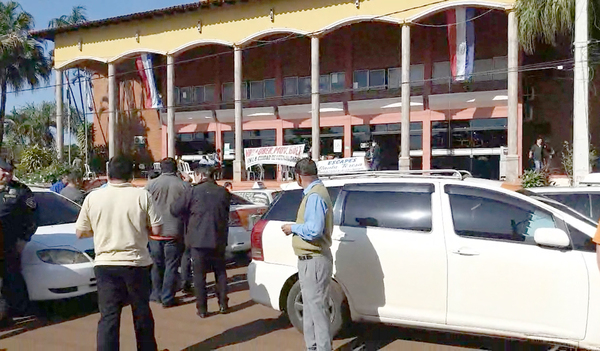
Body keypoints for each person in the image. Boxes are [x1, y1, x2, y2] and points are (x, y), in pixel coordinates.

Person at [75, 156, 162, 351]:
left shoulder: (93, 197)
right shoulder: (142, 196)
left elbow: (80, 232)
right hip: (136, 263)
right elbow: (157, 230)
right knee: (141, 312)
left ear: (108, 174)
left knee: (109, 316)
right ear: (131, 175)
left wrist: (99, 229)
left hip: (105, 264)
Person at [281, 158, 333, 351]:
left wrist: (292, 228)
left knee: (317, 311)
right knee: (311, 309)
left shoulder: (315, 196)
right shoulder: (315, 193)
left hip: (314, 259)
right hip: (310, 259)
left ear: (299, 176)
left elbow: (314, 230)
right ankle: (313, 347)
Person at [171, 165, 231, 318]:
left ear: (199, 176)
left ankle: (202, 309)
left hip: (198, 240)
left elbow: (175, 209)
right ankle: (223, 304)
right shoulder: (223, 192)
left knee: (199, 276)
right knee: (220, 272)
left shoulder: (193, 191)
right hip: (218, 238)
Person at [145, 158, 190, 308]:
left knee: (156, 265)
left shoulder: (151, 184)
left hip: (154, 231)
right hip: (174, 231)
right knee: (171, 265)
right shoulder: (184, 185)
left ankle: (155, 294)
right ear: (175, 168)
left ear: (161, 168)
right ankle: (167, 297)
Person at [0, 158, 37, 321]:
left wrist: (23, 239)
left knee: (11, 277)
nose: (6, 174)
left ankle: (13, 312)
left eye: (9, 171)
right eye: (3, 170)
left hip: (9, 244)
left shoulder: (21, 191)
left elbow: (33, 218)